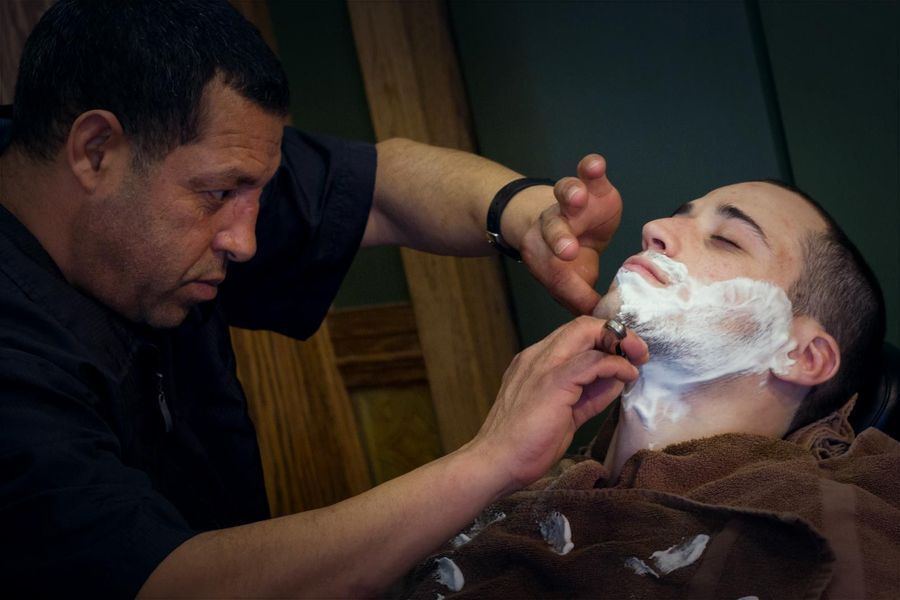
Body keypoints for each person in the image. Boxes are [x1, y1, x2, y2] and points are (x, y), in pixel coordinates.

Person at [0, 1, 652, 597]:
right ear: (94, 150)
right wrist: (494, 460)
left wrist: (532, 220)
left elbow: (381, 185)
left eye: (258, 193)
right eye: (219, 194)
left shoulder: (183, 177)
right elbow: (166, 586)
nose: (247, 239)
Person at [403, 180, 899, 599]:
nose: (654, 228)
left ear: (801, 355)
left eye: (726, 239)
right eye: (679, 215)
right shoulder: (516, 488)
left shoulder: (822, 540)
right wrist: (487, 460)